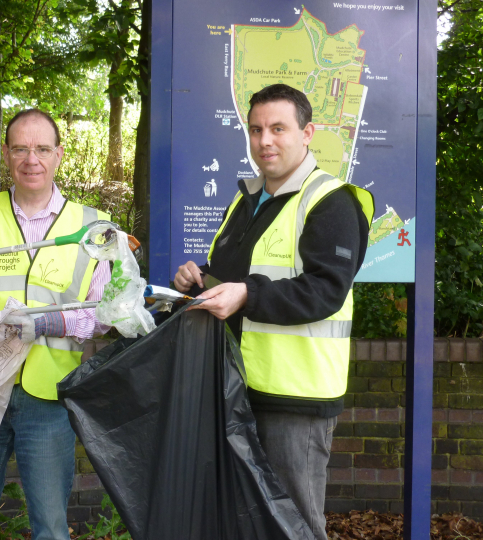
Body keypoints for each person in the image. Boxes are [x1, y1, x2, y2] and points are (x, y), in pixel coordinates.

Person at [174, 84, 373, 540]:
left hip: (295, 401)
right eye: (256, 129)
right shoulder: (246, 201)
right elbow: (234, 276)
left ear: (307, 134)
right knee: (241, 521)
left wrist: (245, 295)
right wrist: (198, 278)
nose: (265, 140)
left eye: (278, 129)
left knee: (294, 526)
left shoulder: (331, 202)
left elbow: (324, 291)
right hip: (236, 388)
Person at [0, 109, 112, 540]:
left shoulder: (92, 226)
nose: (31, 159)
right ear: (7, 153)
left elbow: (105, 313)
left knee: (51, 528)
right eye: (20, 148)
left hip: (47, 399)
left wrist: (52, 322)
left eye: (42, 149)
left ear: (59, 155)